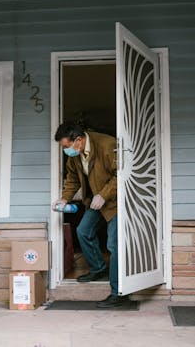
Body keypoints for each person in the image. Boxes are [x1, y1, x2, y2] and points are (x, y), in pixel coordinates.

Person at [53, 122, 129, 308]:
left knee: (114, 244)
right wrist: (64, 199)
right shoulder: (76, 154)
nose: (65, 150)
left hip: (115, 201)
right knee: (83, 231)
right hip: (95, 201)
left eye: (65, 146)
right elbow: (72, 178)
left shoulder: (107, 145)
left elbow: (121, 174)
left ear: (78, 140)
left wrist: (104, 194)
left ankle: (119, 293)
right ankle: (98, 268)